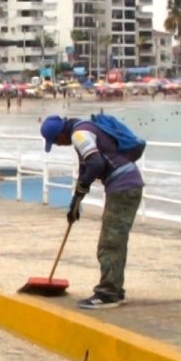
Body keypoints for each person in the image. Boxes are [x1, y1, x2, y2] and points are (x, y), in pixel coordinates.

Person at [41, 114, 145, 310]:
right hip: (126, 186)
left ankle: (108, 294)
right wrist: (75, 203)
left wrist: (81, 188)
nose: (57, 145)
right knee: (115, 241)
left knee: (109, 243)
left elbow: (96, 164)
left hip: (123, 187)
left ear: (60, 135)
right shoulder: (84, 129)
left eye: (55, 142)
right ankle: (115, 289)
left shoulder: (79, 135)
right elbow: (85, 170)